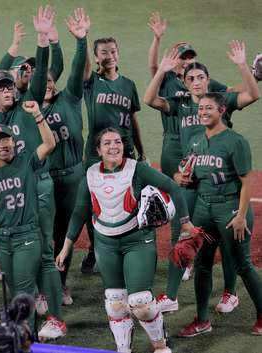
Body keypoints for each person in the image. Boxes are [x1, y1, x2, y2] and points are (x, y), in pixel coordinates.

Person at [143, 40, 260, 314]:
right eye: (191, 78)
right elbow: (149, 100)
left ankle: (230, 292)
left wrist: (243, 66)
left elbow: (252, 94)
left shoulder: (221, 101)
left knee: (226, 240)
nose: (196, 82)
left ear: (209, 80)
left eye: (201, 77)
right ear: (184, 83)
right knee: (183, 234)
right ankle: (171, 295)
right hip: (191, 180)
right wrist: (161, 70)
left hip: (221, 183)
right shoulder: (180, 103)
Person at [56, 128, 194, 353]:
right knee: (116, 302)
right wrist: (65, 247)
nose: (114, 147)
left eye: (118, 142)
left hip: (137, 241)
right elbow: (80, 212)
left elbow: (172, 188)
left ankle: (160, 345)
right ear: (98, 150)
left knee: (141, 302)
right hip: (105, 244)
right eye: (108, 143)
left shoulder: (137, 169)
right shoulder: (90, 174)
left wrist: (186, 222)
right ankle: (123, 349)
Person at [0, 5, 66, 341]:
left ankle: (55, 317)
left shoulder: (28, 105)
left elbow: (41, 72)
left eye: (9, 85)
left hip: (38, 184)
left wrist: (42, 39)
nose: (8, 90)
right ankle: (30, 306)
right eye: (1, 87)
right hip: (10, 190)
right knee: (23, 256)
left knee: (44, 252)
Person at [173, 93, 262, 337]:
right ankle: (202, 319)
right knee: (202, 264)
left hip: (230, 208)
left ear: (222, 110)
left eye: (208, 108)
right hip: (203, 208)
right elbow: (182, 173)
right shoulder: (195, 141)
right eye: (200, 108)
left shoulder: (235, 141)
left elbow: (246, 183)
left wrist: (242, 215)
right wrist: (180, 178)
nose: (202, 112)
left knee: (242, 264)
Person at [0, 101, 56, 338]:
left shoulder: (27, 161)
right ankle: (26, 336)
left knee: (23, 293)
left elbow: (49, 143)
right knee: (15, 294)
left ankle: (27, 341)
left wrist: (37, 115)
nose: (3, 145)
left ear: (13, 141)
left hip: (27, 238)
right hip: (3, 242)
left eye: (6, 139)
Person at [80, 32, 146, 276]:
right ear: (96, 58)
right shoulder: (91, 82)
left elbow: (133, 120)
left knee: (127, 200)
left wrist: (142, 152)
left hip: (125, 151)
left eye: (113, 51)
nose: (109, 56)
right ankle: (95, 247)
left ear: (118, 53)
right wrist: (83, 38)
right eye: (103, 52)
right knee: (91, 203)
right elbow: (83, 66)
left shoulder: (128, 85)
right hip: (96, 153)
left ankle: (129, 245)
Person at [40, 8, 89, 310]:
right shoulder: (29, 109)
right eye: (40, 80)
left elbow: (75, 68)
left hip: (72, 177)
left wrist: (80, 42)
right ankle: (43, 288)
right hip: (44, 180)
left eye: (49, 79)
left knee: (66, 235)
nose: (46, 83)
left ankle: (61, 282)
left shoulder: (69, 97)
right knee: (44, 234)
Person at [0, 17, 64, 99]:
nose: (29, 70)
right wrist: (15, 45)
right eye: (24, 67)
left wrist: (55, 43)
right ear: (12, 73)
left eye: (32, 68)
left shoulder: (37, 92)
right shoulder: (5, 97)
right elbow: (0, 73)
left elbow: (56, 69)